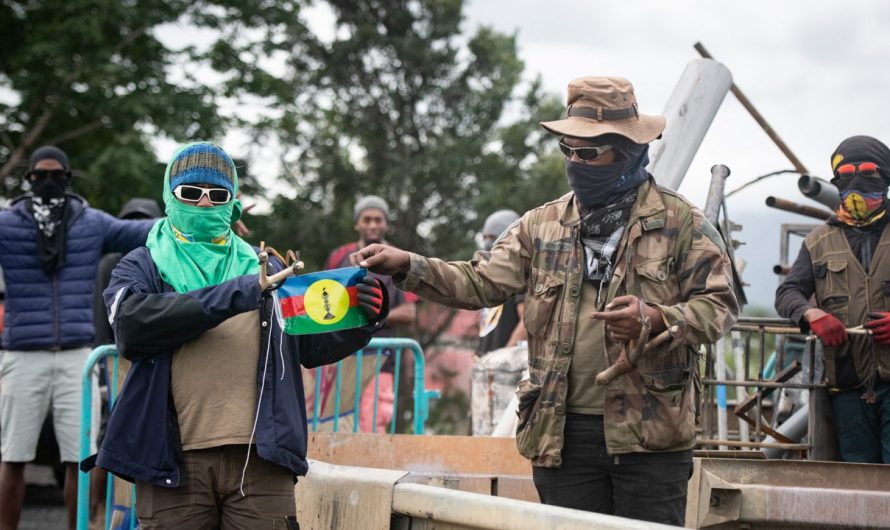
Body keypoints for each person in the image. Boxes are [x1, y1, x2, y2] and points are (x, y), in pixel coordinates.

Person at [352, 76, 739, 525]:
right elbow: (479, 282)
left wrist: (655, 318)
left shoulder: (680, 223)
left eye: (590, 152)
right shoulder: (542, 225)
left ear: (629, 151)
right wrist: (407, 265)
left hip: (649, 440)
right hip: (562, 436)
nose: (576, 162)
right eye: (568, 151)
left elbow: (720, 306)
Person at [83, 142, 388, 529]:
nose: (206, 203)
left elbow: (308, 345)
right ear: (170, 197)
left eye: (218, 194)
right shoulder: (143, 263)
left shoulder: (267, 266)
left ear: (232, 201)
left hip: (261, 461)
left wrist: (364, 318)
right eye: (191, 193)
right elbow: (130, 326)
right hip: (172, 463)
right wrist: (236, 292)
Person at [0, 146, 156, 530]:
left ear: (68, 179)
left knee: (80, 458)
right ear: (29, 178)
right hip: (22, 352)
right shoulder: (7, 224)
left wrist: (213, 219)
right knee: (13, 455)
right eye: (40, 176)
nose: (49, 183)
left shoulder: (91, 223)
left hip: (76, 355)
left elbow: (148, 230)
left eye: (57, 175)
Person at [775, 135, 890, 464]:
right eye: (846, 174)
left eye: (867, 173)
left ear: (885, 179)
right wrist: (812, 314)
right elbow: (787, 293)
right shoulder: (818, 241)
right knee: (858, 481)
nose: (855, 182)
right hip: (848, 389)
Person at [324, 195, 418, 432]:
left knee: (373, 426)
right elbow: (321, 298)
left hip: (380, 360)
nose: (373, 225)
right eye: (367, 219)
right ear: (357, 223)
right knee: (336, 426)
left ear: (386, 223)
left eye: (378, 219)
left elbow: (409, 312)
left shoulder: (397, 257)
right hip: (340, 357)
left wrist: (372, 318)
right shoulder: (338, 256)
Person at [472, 209, 528, 435]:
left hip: (508, 370)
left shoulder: (518, 274)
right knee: (483, 429)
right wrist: (478, 353)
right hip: (486, 368)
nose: (487, 242)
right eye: (484, 237)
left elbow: (527, 320)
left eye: (492, 237)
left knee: (502, 432)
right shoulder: (490, 277)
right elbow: (488, 324)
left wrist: (504, 354)